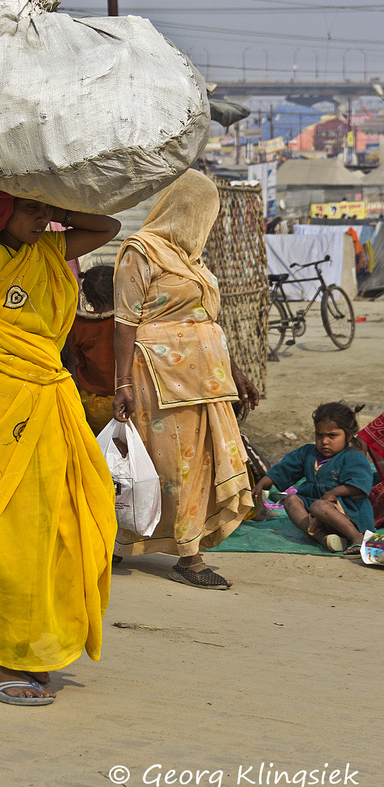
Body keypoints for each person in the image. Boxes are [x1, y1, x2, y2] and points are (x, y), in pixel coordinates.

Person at [0, 119, 119, 705]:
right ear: (0, 213)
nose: (41, 219)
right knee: (11, 533)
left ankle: (39, 645)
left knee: (60, 528)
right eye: (29, 210)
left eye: (46, 211)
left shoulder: (51, 249)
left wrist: (56, 199)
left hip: (50, 400)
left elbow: (109, 224)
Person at [112, 169, 257, 590]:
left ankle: (127, 542)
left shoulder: (191, 260)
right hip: (157, 379)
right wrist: (121, 382)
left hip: (205, 382)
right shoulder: (141, 251)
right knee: (167, 466)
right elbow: (124, 323)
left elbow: (205, 322)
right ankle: (187, 557)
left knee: (199, 463)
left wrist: (237, 373)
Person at [252, 402, 375, 556]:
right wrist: (264, 482)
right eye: (319, 435)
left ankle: (357, 538)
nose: (324, 441)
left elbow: (359, 485)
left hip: (349, 514)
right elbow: (285, 468)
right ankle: (323, 538)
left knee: (319, 506)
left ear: (348, 436)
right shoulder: (307, 453)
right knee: (291, 500)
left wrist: (334, 493)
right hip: (318, 514)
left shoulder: (353, 457)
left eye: (332, 436)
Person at [67, 264, 116, 434]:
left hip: (92, 403)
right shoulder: (126, 322)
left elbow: (75, 353)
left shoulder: (79, 324)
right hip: (126, 399)